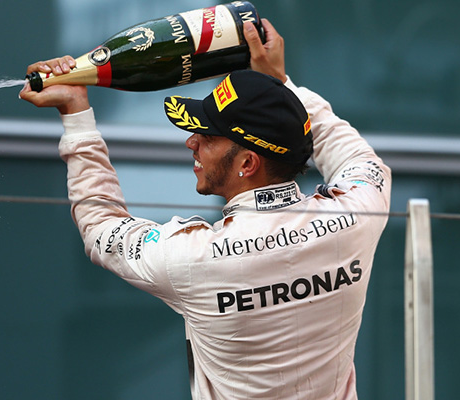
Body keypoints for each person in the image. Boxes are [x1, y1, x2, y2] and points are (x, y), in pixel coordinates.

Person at [20, 19, 390, 399]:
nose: (191, 143)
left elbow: (100, 226)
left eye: (208, 135)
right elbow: (357, 156)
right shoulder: (357, 215)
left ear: (247, 164)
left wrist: (76, 113)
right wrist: (281, 87)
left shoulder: (192, 258)